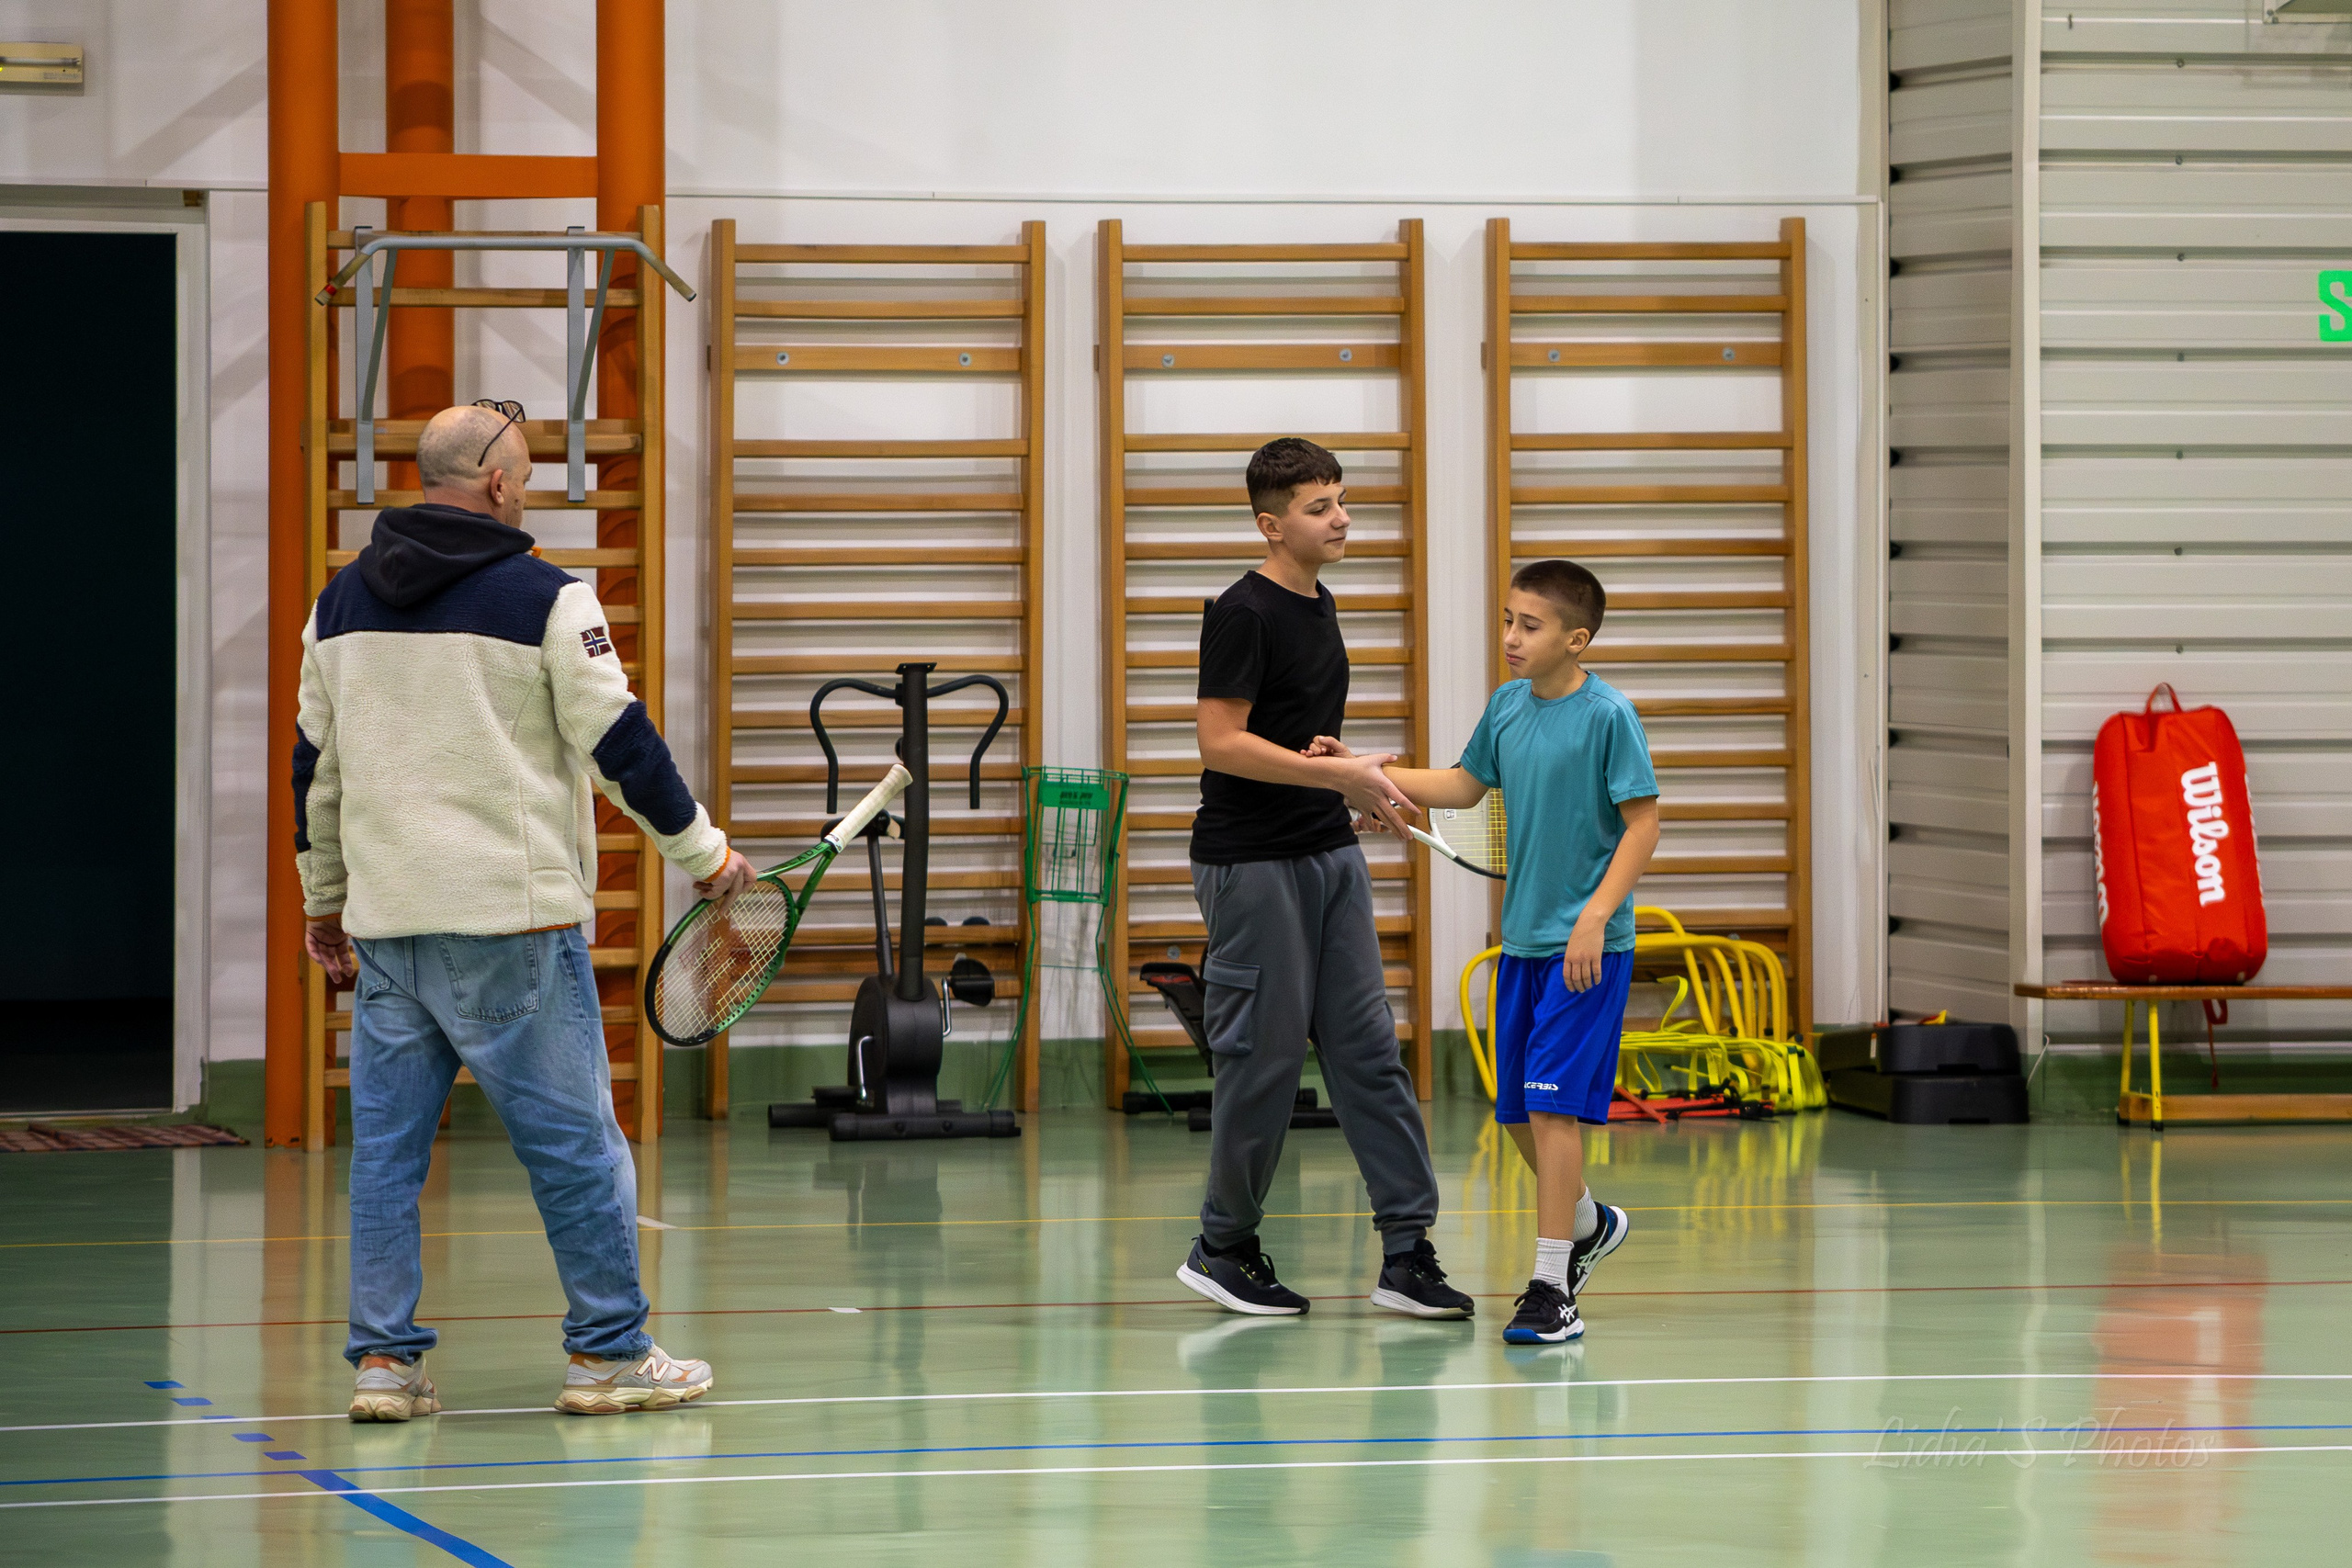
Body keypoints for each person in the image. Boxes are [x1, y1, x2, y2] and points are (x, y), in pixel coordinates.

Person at [294, 401, 755, 1418]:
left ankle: (383, 1365)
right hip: (510, 926)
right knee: (577, 1146)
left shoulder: (337, 605)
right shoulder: (550, 597)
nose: (530, 486)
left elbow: (314, 775)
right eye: (529, 471)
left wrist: (323, 904)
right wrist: (705, 854)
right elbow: (621, 744)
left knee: (385, 1158)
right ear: (499, 484)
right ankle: (608, 1356)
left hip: (386, 929)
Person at [1174, 437, 1475, 1321]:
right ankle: (1223, 1245)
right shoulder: (1243, 611)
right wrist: (1339, 781)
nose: (1340, 517)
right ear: (1272, 524)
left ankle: (1408, 1253)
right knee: (1262, 1066)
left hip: (1328, 855)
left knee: (1369, 1057)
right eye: (1318, 506)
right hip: (1250, 867)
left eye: (1341, 499)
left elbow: (1297, 742)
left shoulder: (1321, 603)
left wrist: (1352, 796)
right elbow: (1220, 743)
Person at [1380, 558, 1659, 1344]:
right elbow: (1464, 787)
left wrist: (1596, 917)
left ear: (1576, 639)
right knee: (1515, 1115)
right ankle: (1590, 1220)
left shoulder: (1609, 716)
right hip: (1523, 946)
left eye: (1527, 625)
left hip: (1586, 950)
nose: (1509, 637)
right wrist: (1365, 774)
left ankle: (1550, 1287)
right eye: (1506, 619)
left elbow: (1643, 824)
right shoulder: (1506, 708)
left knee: (1550, 1107)